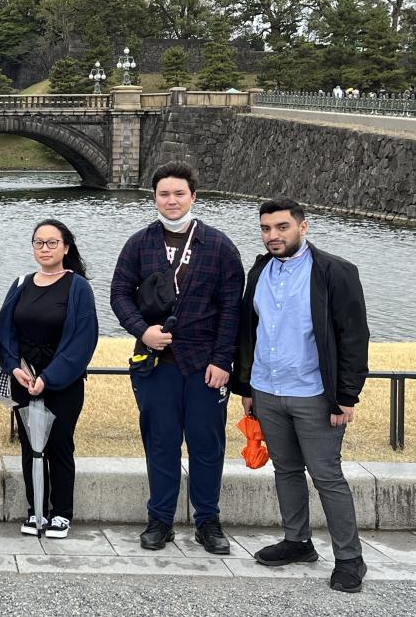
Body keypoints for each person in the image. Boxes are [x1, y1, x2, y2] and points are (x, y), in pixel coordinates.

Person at [230, 198, 370, 593]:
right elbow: (249, 332)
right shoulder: (258, 272)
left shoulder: (334, 272)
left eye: (281, 227)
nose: (273, 235)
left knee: (327, 476)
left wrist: (347, 396)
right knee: (286, 471)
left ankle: (349, 558)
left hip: (315, 394)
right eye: (265, 229)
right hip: (267, 390)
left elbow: (354, 336)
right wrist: (246, 388)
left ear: (302, 227)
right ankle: (298, 541)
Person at [110, 161, 244, 554]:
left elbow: (230, 309)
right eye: (164, 194)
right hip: (156, 364)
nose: (171, 200)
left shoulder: (218, 245)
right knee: (160, 443)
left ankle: (208, 521)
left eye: (179, 194)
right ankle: (161, 519)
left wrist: (223, 360)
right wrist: (141, 330)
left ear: (193, 197)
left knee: (207, 445)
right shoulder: (140, 243)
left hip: (205, 364)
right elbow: (119, 293)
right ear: (154, 198)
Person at [0, 219, 98, 538]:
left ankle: (61, 512)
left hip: (61, 381)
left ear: (66, 247)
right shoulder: (22, 282)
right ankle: (35, 510)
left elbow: (83, 339)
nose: (45, 248)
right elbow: (5, 331)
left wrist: (50, 378)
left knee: (59, 445)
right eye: (39, 242)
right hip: (24, 376)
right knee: (30, 446)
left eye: (52, 243)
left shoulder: (77, 286)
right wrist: (13, 367)